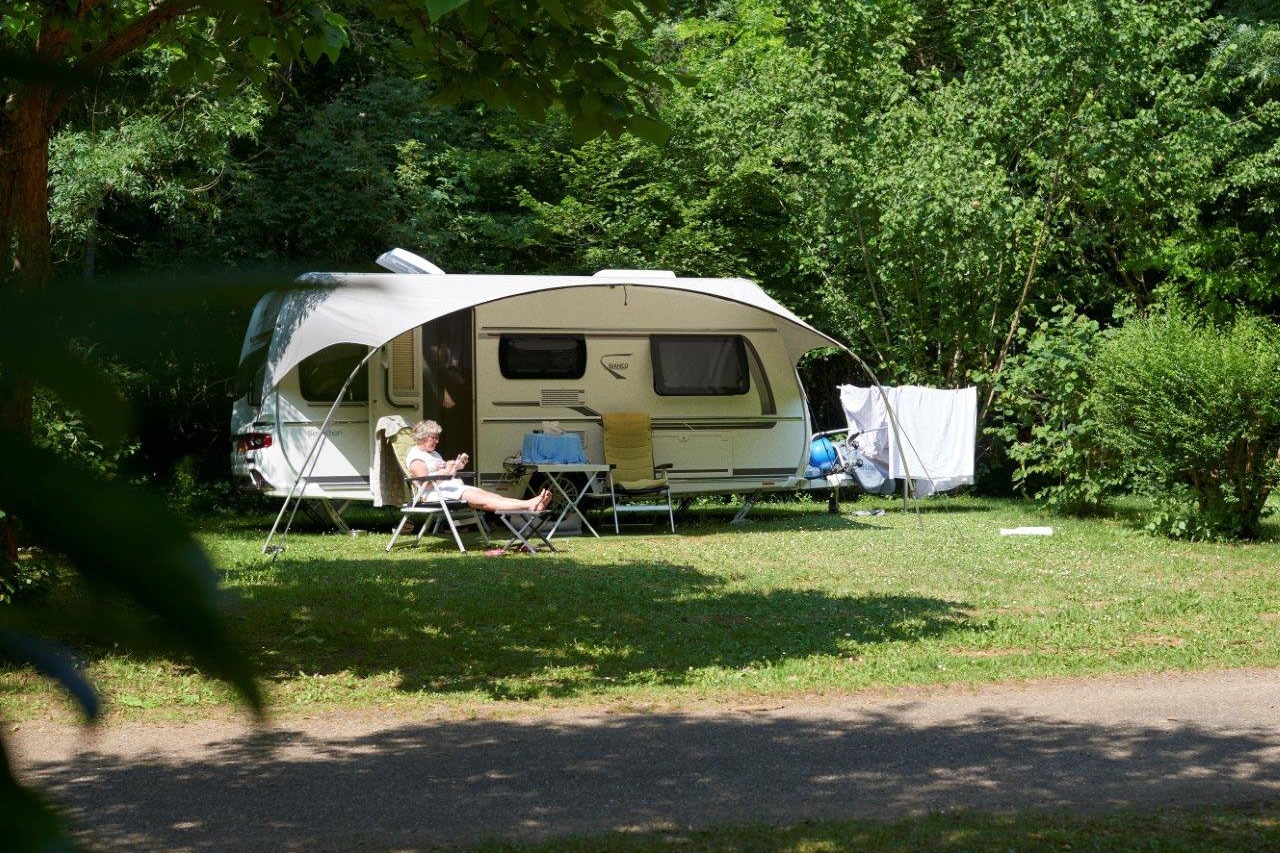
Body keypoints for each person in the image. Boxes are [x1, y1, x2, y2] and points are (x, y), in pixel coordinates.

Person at [406, 420, 552, 513]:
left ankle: (530, 505)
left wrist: (456, 466)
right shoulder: (415, 457)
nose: (437, 441)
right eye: (434, 437)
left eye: (437, 437)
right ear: (422, 437)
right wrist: (445, 471)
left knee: (491, 496)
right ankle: (529, 505)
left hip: (451, 488)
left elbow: (445, 472)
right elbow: (426, 483)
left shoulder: (434, 454)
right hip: (435, 494)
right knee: (486, 502)